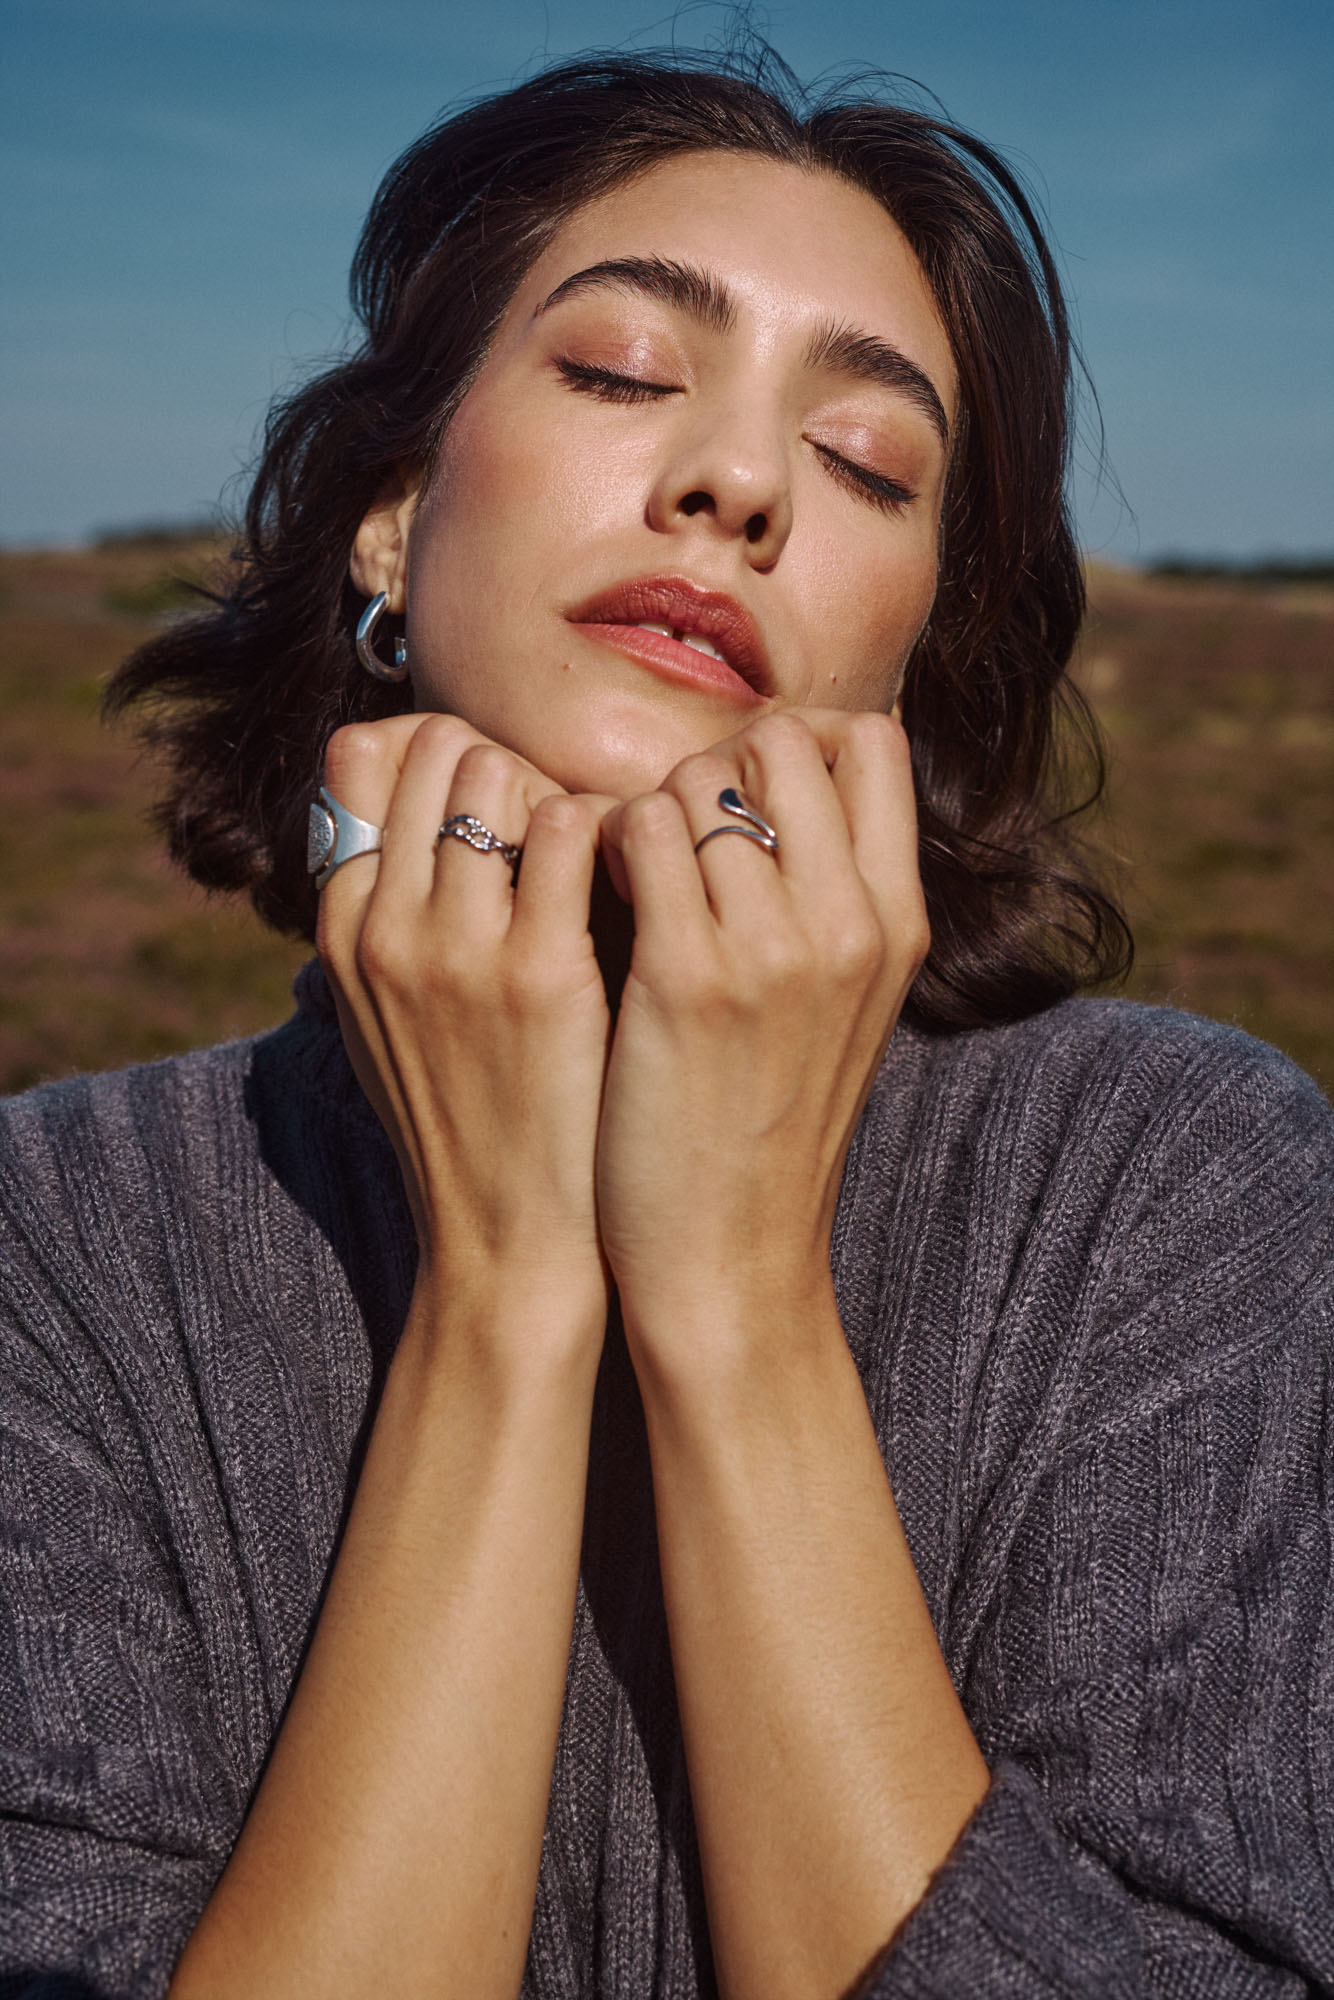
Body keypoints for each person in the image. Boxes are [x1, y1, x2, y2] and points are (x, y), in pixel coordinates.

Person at [1, 45, 1331, 2000]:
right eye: (622, 370)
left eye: (870, 464)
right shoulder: (59, 1233)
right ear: (389, 514)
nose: (737, 480)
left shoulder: (1174, 1181)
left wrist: (731, 1296)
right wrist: (506, 1295)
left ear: (915, 652)